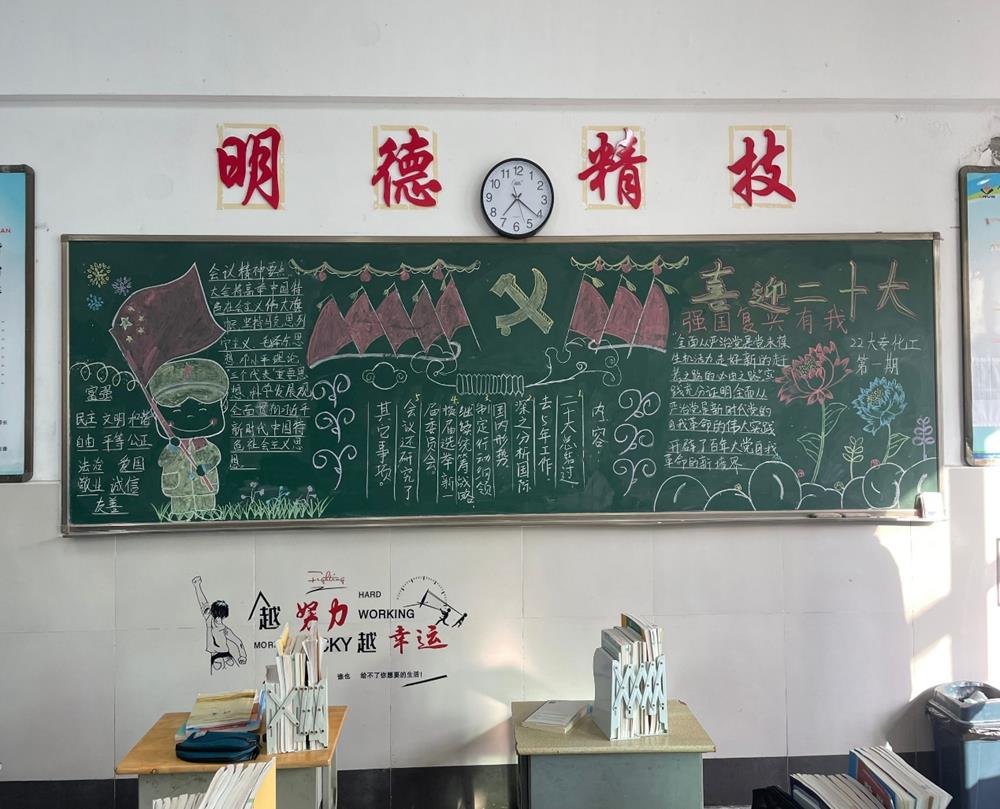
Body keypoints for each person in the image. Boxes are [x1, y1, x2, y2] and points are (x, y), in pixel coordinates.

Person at [148, 358, 229, 516]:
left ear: (223, 406)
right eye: (177, 411)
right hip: (179, 487)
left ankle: (207, 513)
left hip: (203, 485)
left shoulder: (204, 444)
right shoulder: (175, 444)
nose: (190, 417)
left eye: (203, 410)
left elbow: (215, 457)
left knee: (206, 502)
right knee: (180, 506)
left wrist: (206, 467)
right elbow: (162, 461)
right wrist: (172, 447)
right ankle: (180, 516)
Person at [192, 576, 246, 671]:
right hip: (219, 656)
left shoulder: (223, 628)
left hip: (224, 656)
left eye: (221, 617)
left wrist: (243, 656)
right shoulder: (210, 619)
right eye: (218, 616)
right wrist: (197, 586)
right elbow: (203, 603)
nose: (219, 619)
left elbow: (238, 642)